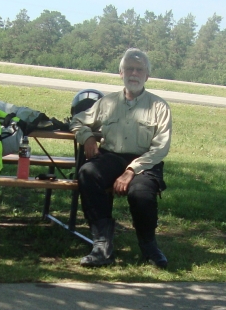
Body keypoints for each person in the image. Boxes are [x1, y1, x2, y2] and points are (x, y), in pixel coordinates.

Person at [71, 48, 172, 268]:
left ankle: (149, 247)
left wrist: (131, 171)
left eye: (139, 70)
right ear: (121, 73)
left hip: (145, 161)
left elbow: (160, 148)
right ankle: (102, 246)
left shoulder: (159, 107)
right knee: (88, 173)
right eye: (129, 69)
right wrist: (87, 136)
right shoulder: (107, 103)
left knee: (141, 193)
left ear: (147, 75)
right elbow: (77, 120)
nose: (133, 74)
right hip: (111, 156)